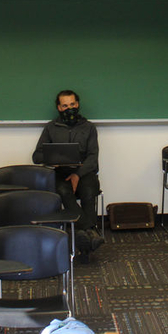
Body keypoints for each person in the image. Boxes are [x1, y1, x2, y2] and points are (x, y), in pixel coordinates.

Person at [32, 89, 102, 256]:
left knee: (88, 190)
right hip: (59, 173)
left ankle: (82, 233)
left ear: (77, 104)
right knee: (64, 190)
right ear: (59, 107)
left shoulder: (89, 127)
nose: (69, 108)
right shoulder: (51, 127)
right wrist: (51, 160)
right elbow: (36, 156)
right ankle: (90, 230)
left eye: (72, 104)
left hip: (84, 172)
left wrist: (78, 174)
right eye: (65, 105)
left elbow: (93, 157)